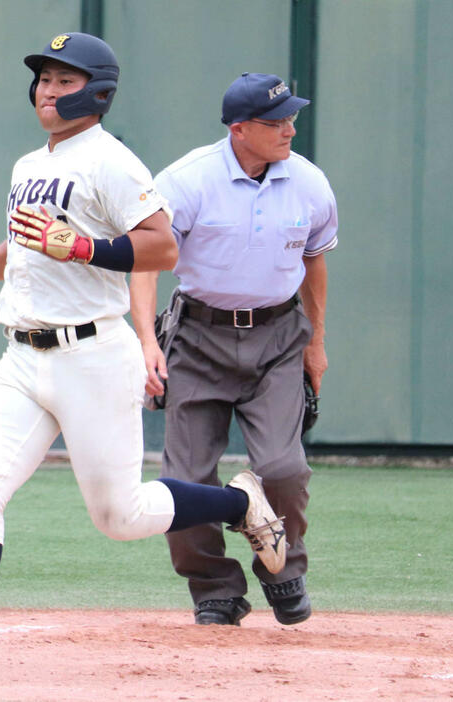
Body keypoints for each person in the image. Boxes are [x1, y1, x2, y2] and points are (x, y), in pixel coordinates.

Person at [0, 33, 287, 683]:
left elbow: (161, 249)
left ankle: (239, 506)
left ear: (96, 91)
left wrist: (86, 249)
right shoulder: (27, 165)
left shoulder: (112, 162)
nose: (47, 87)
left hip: (92, 354)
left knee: (120, 517)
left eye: (64, 79)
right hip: (21, 355)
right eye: (43, 77)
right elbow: (31, 244)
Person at [130, 72, 338, 627]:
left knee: (283, 467)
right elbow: (146, 258)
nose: (289, 129)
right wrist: (146, 340)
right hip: (198, 337)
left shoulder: (310, 182)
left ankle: (283, 570)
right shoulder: (188, 180)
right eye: (276, 122)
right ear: (239, 129)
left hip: (277, 337)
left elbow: (315, 261)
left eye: (292, 117)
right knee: (188, 479)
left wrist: (316, 343)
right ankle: (214, 589)